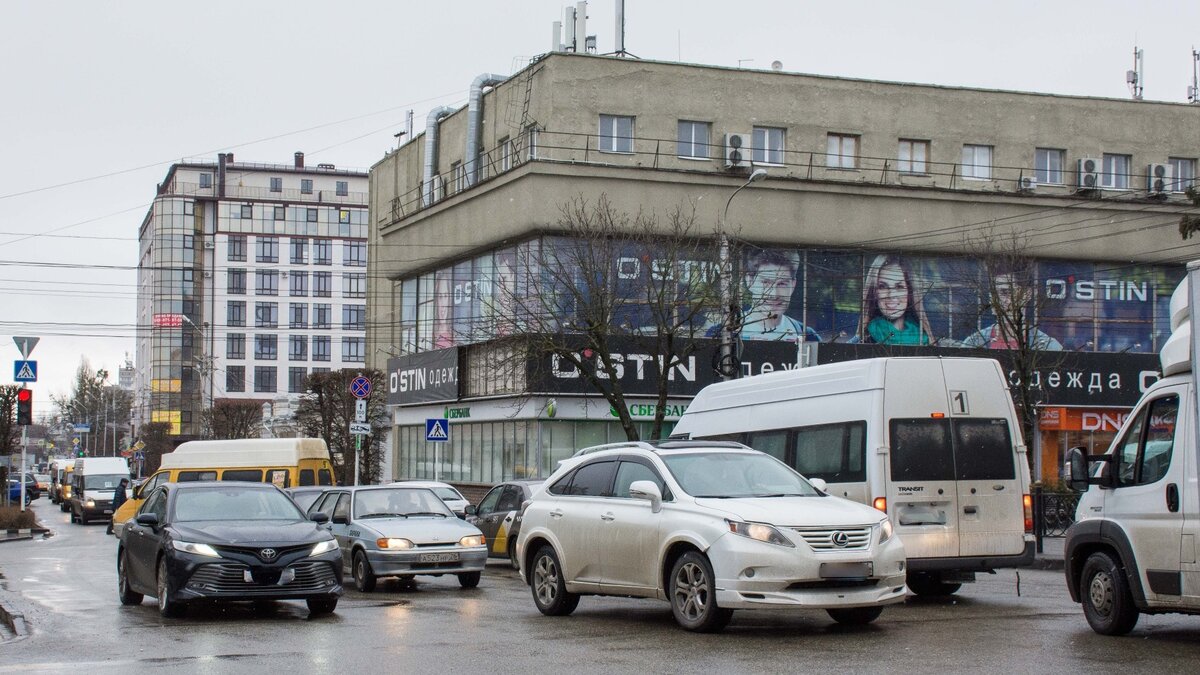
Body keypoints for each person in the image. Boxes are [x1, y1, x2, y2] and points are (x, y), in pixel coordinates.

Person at [962, 270, 1063, 350]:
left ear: (1026, 295)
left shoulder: (1048, 346)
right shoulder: (972, 343)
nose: (997, 301)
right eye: (992, 293)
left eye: (1005, 292)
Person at [738, 249, 821, 342]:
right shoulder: (727, 332)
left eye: (782, 284)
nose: (774, 294)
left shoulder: (808, 336)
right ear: (749, 282)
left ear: (793, 285)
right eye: (766, 282)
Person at [856, 254, 934, 345]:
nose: (891, 295)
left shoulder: (924, 339)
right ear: (874, 293)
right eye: (882, 287)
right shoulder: (863, 339)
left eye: (899, 287)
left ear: (909, 292)